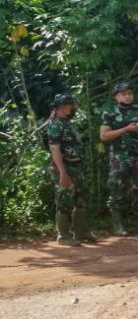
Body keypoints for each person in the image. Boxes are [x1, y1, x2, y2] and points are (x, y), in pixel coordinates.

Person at [99, 81, 138, 235]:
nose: (128, 96)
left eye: (130, 93)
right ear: (117, 96)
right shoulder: (110, 112)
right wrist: (126, 129)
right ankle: (117, 224)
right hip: (119, 156)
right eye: (124, 93)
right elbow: (104, 136)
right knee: (116, 187)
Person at [45, 92, 93, 246]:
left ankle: (81, 232)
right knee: (64, 200)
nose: (74, 108)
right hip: (64, 168)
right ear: (62, 107)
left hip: (76, 167)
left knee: (81, 200)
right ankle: (63, 236)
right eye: (71, 105)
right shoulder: (55, 125)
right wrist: (62, 172)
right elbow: (55, 150)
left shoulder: (68, 124)